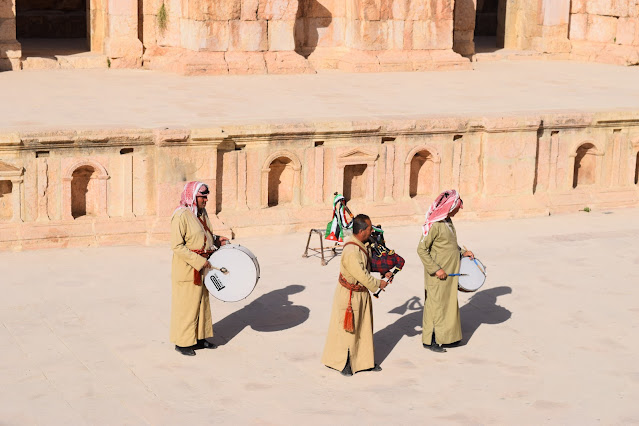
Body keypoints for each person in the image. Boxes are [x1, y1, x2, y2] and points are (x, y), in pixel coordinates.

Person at [321, 214, 392, 376]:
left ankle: (363, 361)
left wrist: (384, 270)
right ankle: (345, 364)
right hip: (350, 296)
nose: (371, 230)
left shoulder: (362, 244)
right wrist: (378, 284)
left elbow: (368, 263)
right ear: (361, 231)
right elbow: (361, 274)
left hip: (361, 293)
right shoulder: (352, 250)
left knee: (363, 329)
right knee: (349, 332)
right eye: (369, 228)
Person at [170, 181, 230, 356]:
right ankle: (183, 342)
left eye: (206, 196)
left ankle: (200, 338)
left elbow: (204, 235)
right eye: (203, 196)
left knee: (202, 303)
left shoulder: (201, 213)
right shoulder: (181, 215)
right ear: (193, 196)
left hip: (204, 266)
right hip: (188, 268)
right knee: (187, 306)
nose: (206, 199)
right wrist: (197, 260)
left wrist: (217, 240)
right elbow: (177, 246)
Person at [417, 190, 474, 353]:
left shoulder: (447, 222)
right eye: (457, 207)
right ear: (451, 206)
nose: (459, 210)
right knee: (435, 305)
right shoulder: (435, 224)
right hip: (439, 275)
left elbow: (449, 245)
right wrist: (436, 269)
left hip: (450, 274)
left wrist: (463, 253)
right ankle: (430, 340)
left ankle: (447, 337)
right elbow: (421, 250)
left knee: (447, 305)